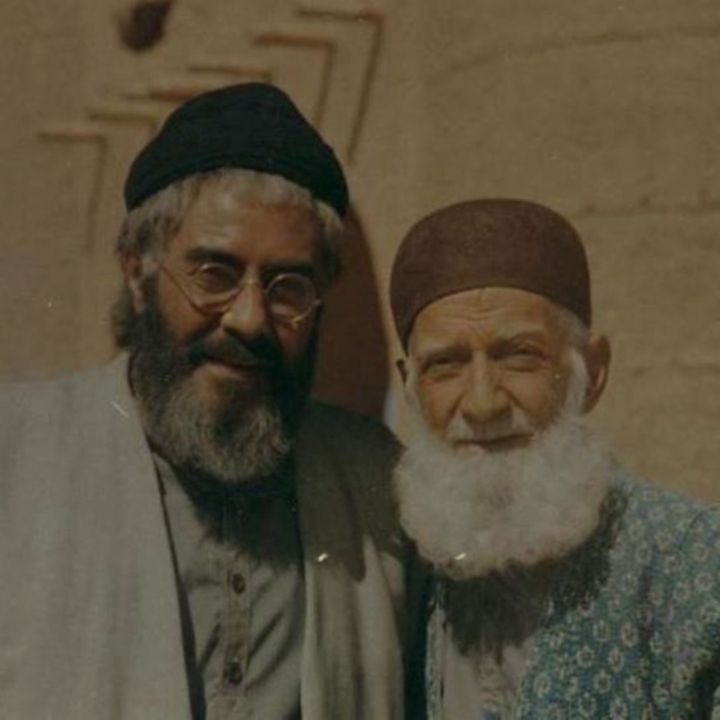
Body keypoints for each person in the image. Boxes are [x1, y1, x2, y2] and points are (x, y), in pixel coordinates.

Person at [0, 83, 414, 719]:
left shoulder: (377, 488)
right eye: (214, 275)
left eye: (287, 286)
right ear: (137, 271)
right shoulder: (16, 456)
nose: (249, 319)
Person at [388, 198, 720, 718]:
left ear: (593, 372)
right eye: (445, 365)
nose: (482, 403)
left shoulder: (692, 559)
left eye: (519, 355)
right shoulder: (417, 573)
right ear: (409, 387)